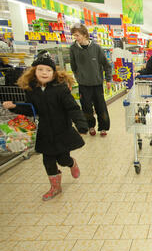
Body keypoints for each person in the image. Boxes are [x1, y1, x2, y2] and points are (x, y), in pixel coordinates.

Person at [2, 55, 88, 201]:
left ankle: (72, 163)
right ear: (34, 71)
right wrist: (15, 107)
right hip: (45, 132)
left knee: (62, 158)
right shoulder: (31, 90)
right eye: (40, 69)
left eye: (48, 70)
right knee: (47, 161)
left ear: (54, 73)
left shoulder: (60, 89)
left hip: (62, 131)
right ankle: (55, 187)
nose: (44, 72)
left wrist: (81, 123)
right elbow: (32, 110)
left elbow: (72, 108)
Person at [69, 23, 112, 137]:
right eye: (74, 36)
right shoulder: (73, 49)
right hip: (83, 84)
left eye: (77, 35)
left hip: (97, 83)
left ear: (84, 34)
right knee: (86, 107)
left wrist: (108, 79)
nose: (76, 38)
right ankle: (90, 126)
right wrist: (78, 77)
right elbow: (73, 66)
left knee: (101, 107)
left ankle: (103, 127)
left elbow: (107, 65)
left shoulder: (96, 48)